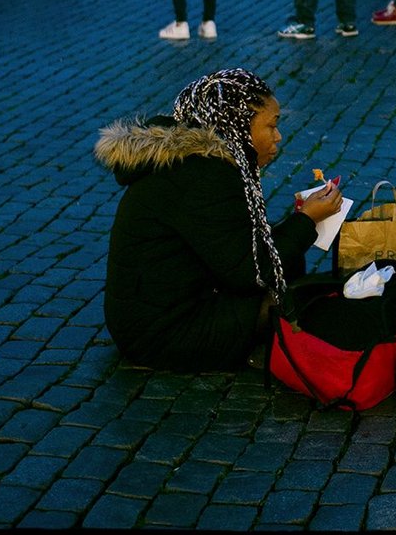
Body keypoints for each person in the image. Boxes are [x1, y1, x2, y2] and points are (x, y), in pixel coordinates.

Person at [97, 68, 344, 371]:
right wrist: (306, 220)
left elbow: (233, 247)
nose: (278, 137)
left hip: (158, 314)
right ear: (237, 126)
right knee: (299, 297)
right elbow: (251, 271)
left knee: (291, 269)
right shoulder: (203, 175)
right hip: (162, 333)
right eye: (271, 126)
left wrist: (300, 222)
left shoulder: (196, 163)